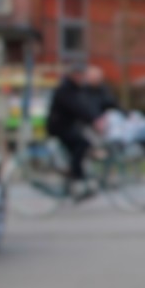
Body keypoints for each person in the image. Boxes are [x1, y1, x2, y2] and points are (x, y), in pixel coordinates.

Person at [46, 63, 118, 196]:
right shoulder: (65, 89)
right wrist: (94, 120)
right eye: (78, 75)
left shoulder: (77, 88)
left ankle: (75, 171)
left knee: (84, 144)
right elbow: (77, 107)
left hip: (70, 125)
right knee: (82, 143)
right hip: (59, 127)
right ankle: (76, 177)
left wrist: (96, 118)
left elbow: (88, 105)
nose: (81, 78)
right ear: (73, 75)